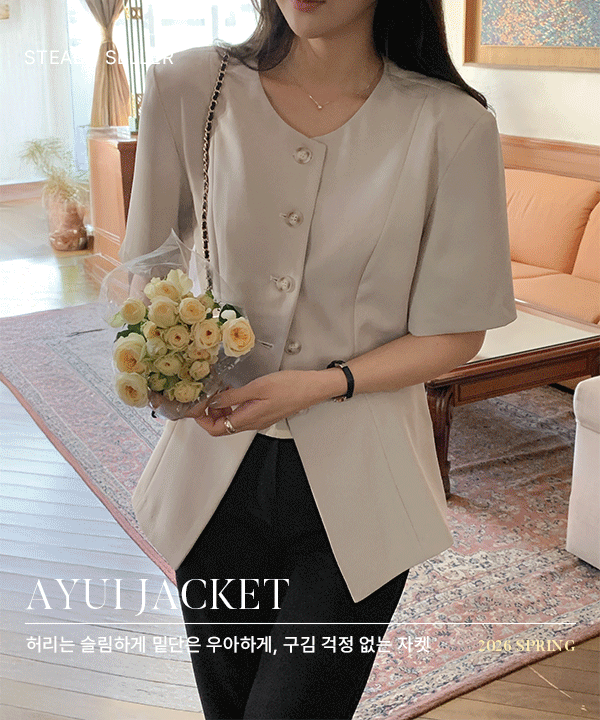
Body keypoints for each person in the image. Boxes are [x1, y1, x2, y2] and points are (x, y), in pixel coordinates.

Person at [119, 0, 517, 717]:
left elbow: (458, 333)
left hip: (362, 489)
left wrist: (324, 384)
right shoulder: (191, 85)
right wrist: (159, 369)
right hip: (214, 479)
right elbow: (144, 267)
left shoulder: (452, 125)